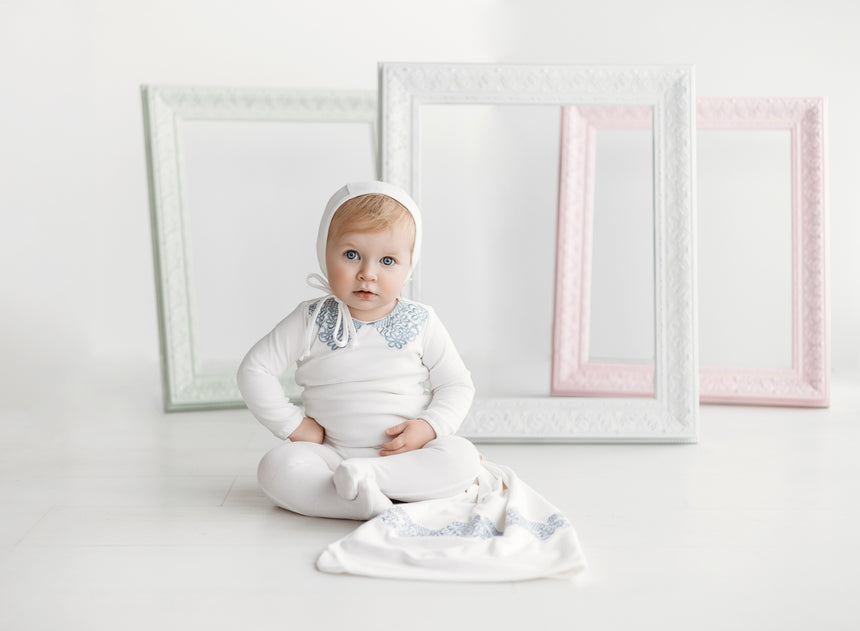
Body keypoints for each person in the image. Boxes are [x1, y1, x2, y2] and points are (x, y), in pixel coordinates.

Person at [237, 181, 481, 520]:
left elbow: (456, 384)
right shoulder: (310, 318)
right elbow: (255, 370)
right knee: (275, 468)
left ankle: (369, 481)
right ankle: (356, 498)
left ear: (409, 266)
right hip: (331, 456)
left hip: (406, 456)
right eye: (352, 255)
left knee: (461, 457)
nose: (368, 273)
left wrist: (429, 427)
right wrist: (293, 425)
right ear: (326, 251)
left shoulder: (422, 321)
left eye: (387, 260)